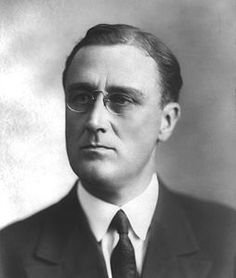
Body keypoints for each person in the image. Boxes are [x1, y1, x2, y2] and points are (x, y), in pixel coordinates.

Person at [0, 23, 236, 278]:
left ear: (166, 122)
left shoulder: (228, 239)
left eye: (122, 100)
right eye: (81, 97)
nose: (94, 121)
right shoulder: (9, 253)